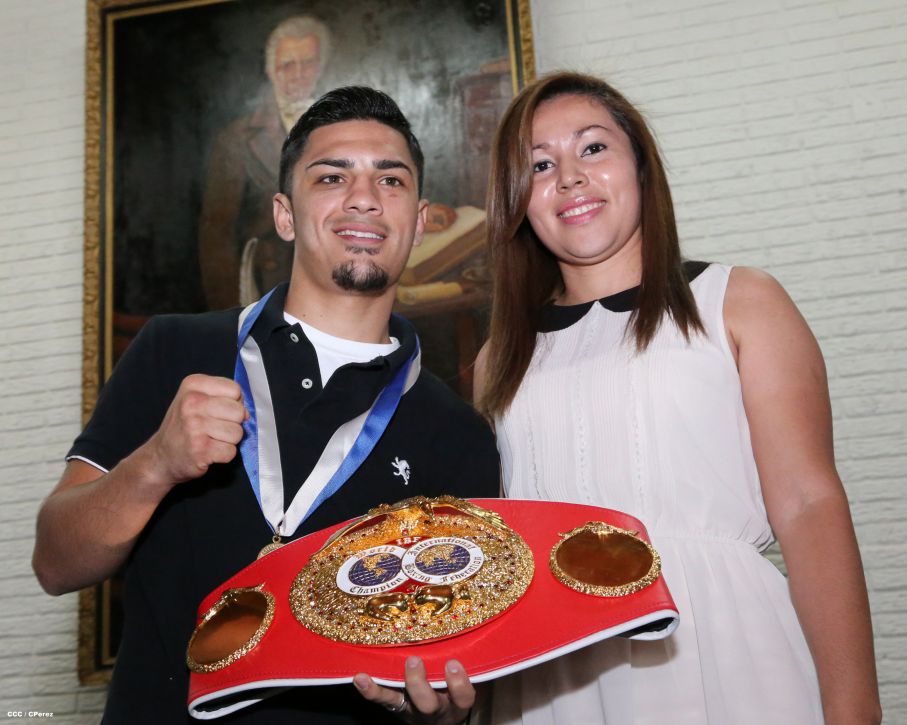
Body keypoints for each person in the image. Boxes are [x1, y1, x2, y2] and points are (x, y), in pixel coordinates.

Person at [33, 86, 494, 724]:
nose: (363, 196)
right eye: (332, 176)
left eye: (390, 179)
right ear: (284, 213)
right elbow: (56, 562)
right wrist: (156, 465)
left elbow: (455, 670)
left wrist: (440, 712)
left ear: (417, 221)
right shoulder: (175, 347)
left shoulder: (460, 433)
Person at [469, 72, 882, 724]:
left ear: (640, 163)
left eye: (593, 148)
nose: (569, 177)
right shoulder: (499, 356)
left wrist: (853, 707)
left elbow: (808, 505)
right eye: (540, 164)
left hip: (724, 645)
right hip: (555, 673)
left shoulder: (738, 300)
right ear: (517, 199)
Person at [198, 15, 332, 310]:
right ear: (271, 71)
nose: (298, 74)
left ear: (320, 67)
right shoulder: (236, 139)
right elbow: (217, 238)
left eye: (307, 63)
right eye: (287, 65)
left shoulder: (345, 128)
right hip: (269, 290)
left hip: (338, 284)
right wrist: (231, 317)